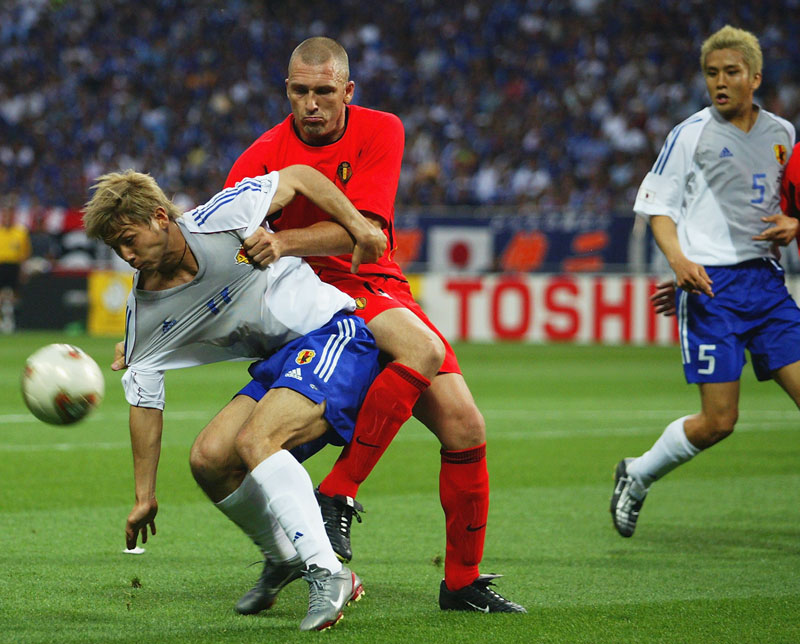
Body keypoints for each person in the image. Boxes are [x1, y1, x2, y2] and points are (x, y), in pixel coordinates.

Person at [225, 36, 525, 613]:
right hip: (310, 304)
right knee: (420, 354)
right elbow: (220, 240)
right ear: (285, 90)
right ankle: (324, 509)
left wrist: (283, 239)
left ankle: (459, 581)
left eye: (323, 92)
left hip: (374, 284)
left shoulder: (381, 129)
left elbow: (366, 232)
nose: (311, 104)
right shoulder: (260, 156)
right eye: (299, 91)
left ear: (347, 91)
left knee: (465, 426)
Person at [84, 165, 388, 631]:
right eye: (115, 247)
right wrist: (144, 495)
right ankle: (283, 557)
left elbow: (303, 175)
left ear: (160, 218)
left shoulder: (223, 217)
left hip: (333, 335)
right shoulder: (144, 312)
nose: (126, 255)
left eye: (129, 239)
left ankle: (329, 572)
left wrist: (361, 227)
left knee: (256, 439)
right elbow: (144, 399)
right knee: (209, 458)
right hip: (277, 366)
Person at [611, 25, 800, 538]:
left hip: (766, 285)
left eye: (731, 73)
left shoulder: (783, 135)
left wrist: (795, 224)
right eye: (712, 73)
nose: (720, 82)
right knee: (719, 421)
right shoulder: (689, 133)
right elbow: (658, 208)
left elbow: (789, 208)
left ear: (755, 77)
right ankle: (638, 474)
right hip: (712, 291)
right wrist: (680, 262)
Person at [0, 195, 31, 333]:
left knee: (15, 296)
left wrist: (23, 270)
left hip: (14, 266)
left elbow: (25, 254)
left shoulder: (21, 232)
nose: (8, 217)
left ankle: (13, 321)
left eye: (10, 214)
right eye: (5, 214)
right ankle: (2, 321)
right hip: (1, 265)